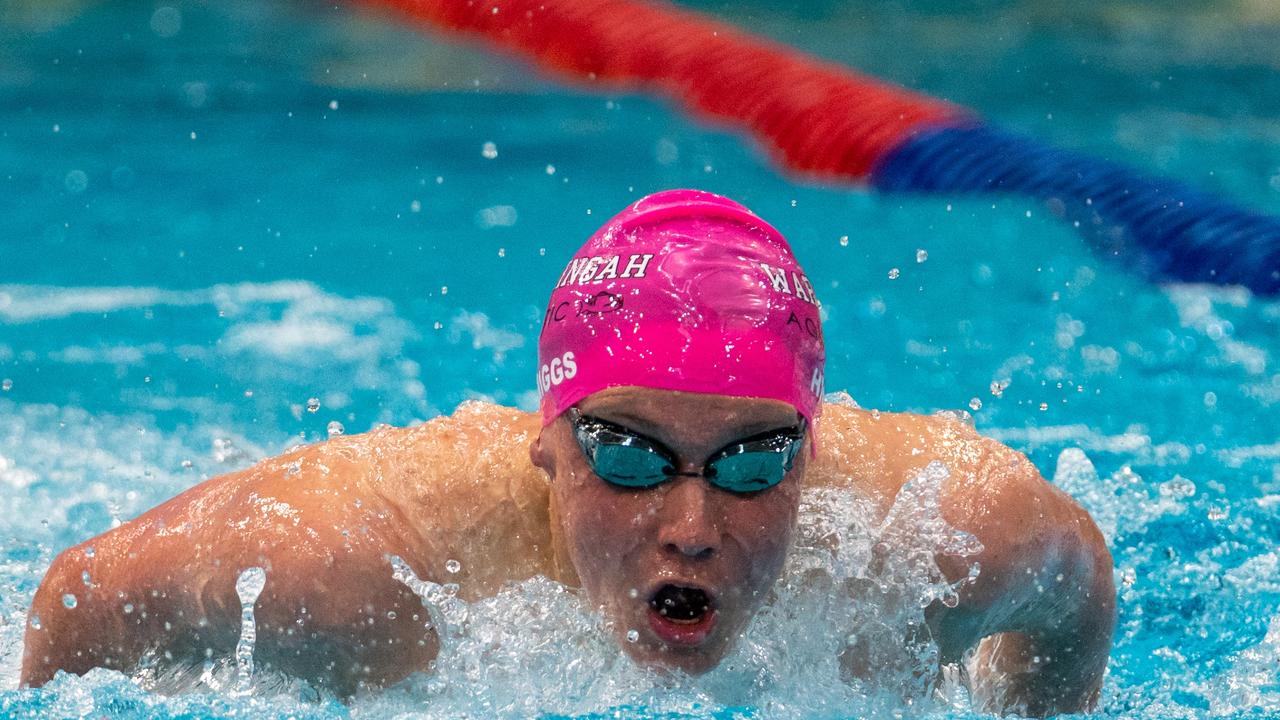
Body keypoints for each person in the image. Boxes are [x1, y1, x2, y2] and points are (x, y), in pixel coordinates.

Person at [21, 190, 1114, 716]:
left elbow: (1078, 585)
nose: (690, 527)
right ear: (547, 446)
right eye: (630, 459)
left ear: (811, 456)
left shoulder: (945, 537)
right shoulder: (360, 568)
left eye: (748, 465)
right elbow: (76, 597)